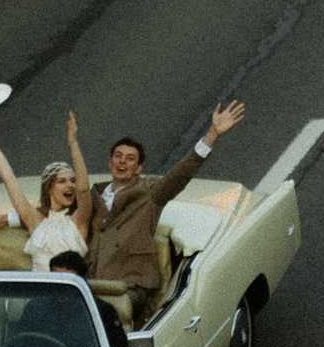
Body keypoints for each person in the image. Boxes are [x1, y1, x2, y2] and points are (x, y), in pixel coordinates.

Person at [89, 98, 245, 310]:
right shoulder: (94, 195)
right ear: (110, 163)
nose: (122, 162)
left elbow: (180, 175)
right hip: (91, 283)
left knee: (104, 312)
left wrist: (212, 135)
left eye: (129, 159)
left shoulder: (150, 193)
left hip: (128, 285)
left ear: (139, 169)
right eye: (118, 156)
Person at [0, 107, 95, 275]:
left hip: (68, 291)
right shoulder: (33, 219)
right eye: (62, 181)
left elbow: (84, 188)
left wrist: (73, 143)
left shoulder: (79, 219)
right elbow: (7, 176)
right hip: (39, 290)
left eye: (72, 180)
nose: (70, 186)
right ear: (49, 187)